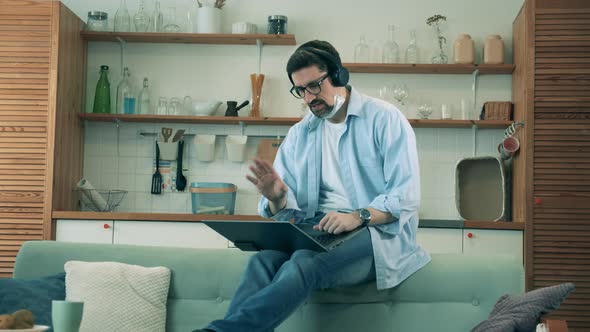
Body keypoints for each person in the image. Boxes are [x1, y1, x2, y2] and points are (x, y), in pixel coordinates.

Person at [194, 40, 431, 332]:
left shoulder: (385, 119)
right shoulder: (299, 134)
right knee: (263, 261)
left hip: (374, 233)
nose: (309, 97)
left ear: (338, 76)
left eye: (315, 86)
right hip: (314, 228)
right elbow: (284, 205)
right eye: (301, 90)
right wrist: (277, 198)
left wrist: (357, 216)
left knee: (304, 262)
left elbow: (405, 197)